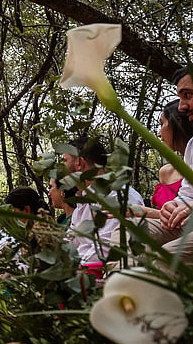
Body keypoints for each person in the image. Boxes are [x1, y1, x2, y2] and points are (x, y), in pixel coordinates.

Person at [62, 134, 144, 273]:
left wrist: (71, 270)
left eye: (64, 161)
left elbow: (106, 250)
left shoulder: (118, 196)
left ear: (80, 163)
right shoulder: (83, 203)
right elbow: (71, 241)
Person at [149, 67, 193, 262]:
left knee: (165, 257)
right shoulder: (192, 147)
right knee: (127, 232)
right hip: (185, 225)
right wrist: (174, 205)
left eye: (188, 95)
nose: (181, 106)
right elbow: (188, 195)